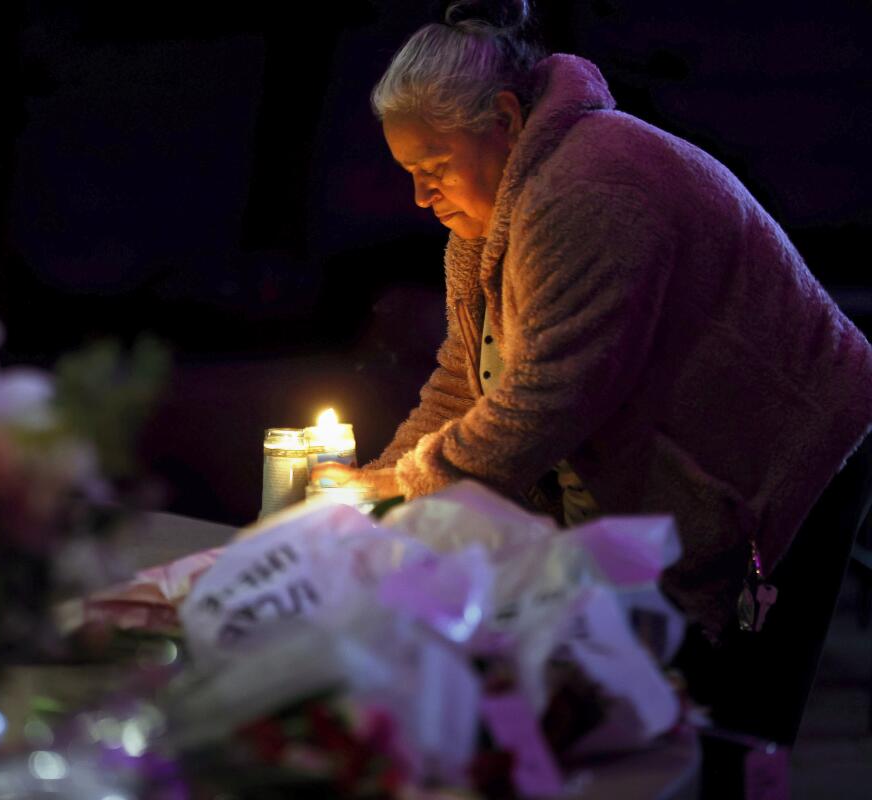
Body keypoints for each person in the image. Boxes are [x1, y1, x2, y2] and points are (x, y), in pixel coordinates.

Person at [314, 0, 872, 751]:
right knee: (658, 712)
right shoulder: (484, 226)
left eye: (434, 167)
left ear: (505, 120)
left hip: (783, 453)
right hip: (692, 467)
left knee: (723, 727)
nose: (420, 196)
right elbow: (463, 382)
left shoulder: (590, 189)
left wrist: (412, 494)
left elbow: (547, 398)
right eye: (409, 173)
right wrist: (379, 479)